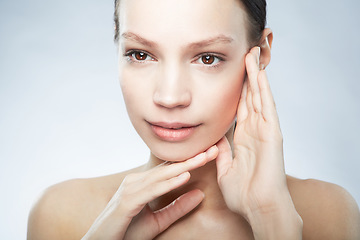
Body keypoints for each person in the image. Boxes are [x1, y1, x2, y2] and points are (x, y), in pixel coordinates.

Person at [27, 0, 360, 239]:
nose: (170, 97)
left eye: (207, 58)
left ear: (260, 54)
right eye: (140, 54)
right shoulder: (61, 216)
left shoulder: (328, 215)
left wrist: (273, 222)